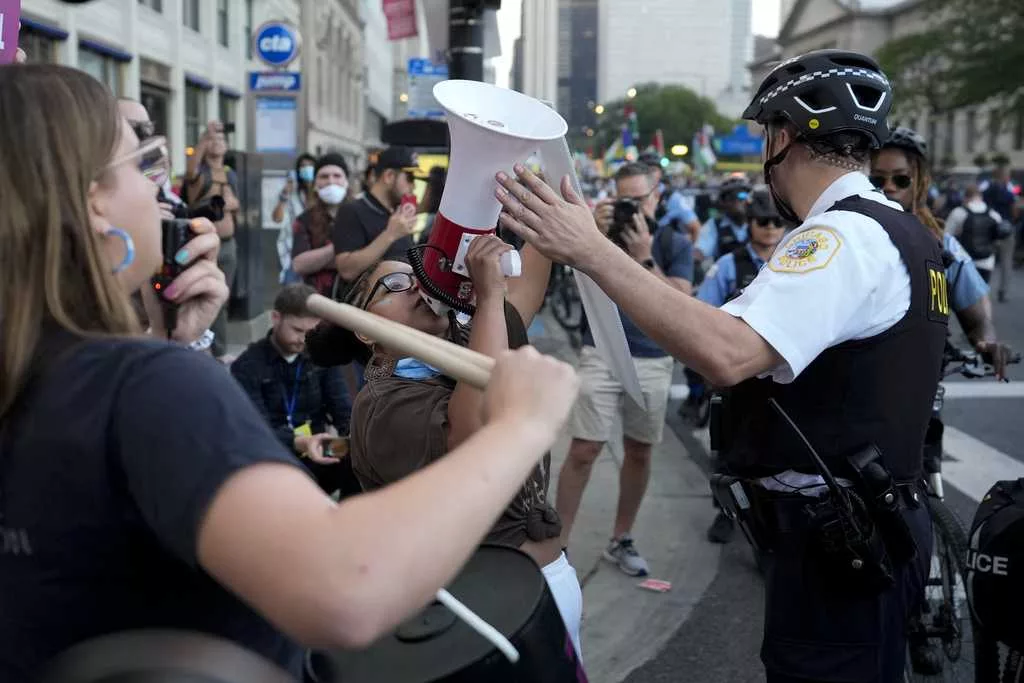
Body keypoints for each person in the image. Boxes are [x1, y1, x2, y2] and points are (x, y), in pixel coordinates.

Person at [0, 64, 580, 682]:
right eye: (144, 163)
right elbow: (344, 588)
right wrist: (519, 425)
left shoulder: (42, 369)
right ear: (93, 201)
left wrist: (170, 338)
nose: (160, 192)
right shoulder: (142, 386)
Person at [496, 49, 951, 682]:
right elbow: (720, 324)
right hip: (856, 532)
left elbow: (728, 353)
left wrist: (592, 251)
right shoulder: (896, 230)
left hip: (843, 543)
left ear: (783, 137)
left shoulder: (843, 237)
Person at [336, 234, 584, 657]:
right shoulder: (378, 403)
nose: (416, 285)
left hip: (546, 584)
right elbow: (478, 433)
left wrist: (546, 219)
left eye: (418, 277)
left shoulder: (465, 338)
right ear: (364, 329)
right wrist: (487, 299)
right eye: (394, 285)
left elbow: (520, 296)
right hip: (481, 608)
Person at [558, 162, 694, 577]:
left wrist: (644, 257)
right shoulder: (599, 235)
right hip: (599, 346)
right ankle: (557, 545)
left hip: (652, 355)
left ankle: (622, 537)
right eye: (623, 201)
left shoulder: (671, 240)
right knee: (584, 448)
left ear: (657, 195)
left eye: (638, 200)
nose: (630, 210)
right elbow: (567, 271)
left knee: (639, 448)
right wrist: (594, 234)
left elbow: (683, 304)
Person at [870, 127, 1012, 377]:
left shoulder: (943, 244)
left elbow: (978, 317)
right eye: (877, 179)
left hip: (918, 386)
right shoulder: (848, 236)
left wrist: (987, 341)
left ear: (920, 181)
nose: (889, 187)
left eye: (901, 179)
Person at [691, 192, 787, 545]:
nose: (771, 229)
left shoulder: (796, 259)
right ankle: (726, 514)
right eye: (764, 222)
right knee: (730, 453)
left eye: (778, 222)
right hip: (738, 372)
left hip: (780, 373)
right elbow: (704, 311)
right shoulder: (729, 264)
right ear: (750, 224)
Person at [229, 283, 355, 496]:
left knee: (358, 457)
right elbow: (255, 430)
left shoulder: (320, 359)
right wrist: (299, 442)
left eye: (311, 332)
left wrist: (351, 436)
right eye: (297, 330)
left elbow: (342, 408)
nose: (303, 340)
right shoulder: (248, 366)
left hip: (318, 448)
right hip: (271, 454)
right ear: (276, 318)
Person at [183, 120, 241, 360]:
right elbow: (189, 173)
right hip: (205, 243)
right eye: (213, 140)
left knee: (223, 299)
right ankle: (207, 352)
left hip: (228, 244)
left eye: (221, 139)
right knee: (206, 297)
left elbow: (237, 205)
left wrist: (229, 204)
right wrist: (205, 137)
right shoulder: (201, 172)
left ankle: (220, 351)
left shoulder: (230, 174)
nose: (218, 143)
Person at [332, 146, 420, 289]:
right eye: (410, 178)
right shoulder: (352, 210)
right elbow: (347, 270)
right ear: (389, 176)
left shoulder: (395, 213)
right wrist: (390, 235)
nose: (413, 185)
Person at [289, 153, 350, 297]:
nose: (331, 181)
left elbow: (371, 259)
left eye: (337, 176)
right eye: (324, 176)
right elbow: (299, 265)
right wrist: (339, 247)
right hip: (318, 302)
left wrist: (318, 261)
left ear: (346, 181)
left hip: (358, 300)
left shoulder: (362, 215)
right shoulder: (304, 220)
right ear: (315, 184)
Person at [944, 184, 1006, 282]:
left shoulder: (958, 212)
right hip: (987, 261)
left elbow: (946, 236)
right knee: (983, 292)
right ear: (981, 197)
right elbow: (998, 237)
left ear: (965, 197)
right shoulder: (994, 214)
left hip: (965, 262)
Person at [272, 152, 317, 284]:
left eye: (310, 166)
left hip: (316, 250)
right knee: (292, 292)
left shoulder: (321, 193)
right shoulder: (292, 194)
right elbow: (277, 218)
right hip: (293, 252)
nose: (307, 169)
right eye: (303, 166)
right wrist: (285, 193)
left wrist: (312, 188)